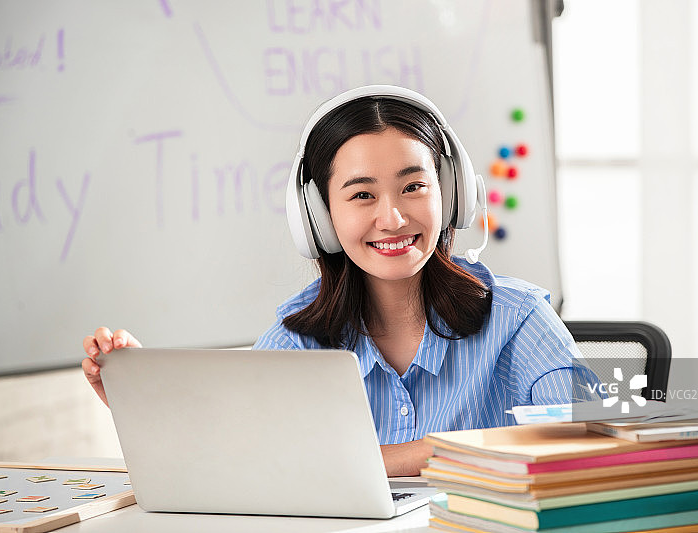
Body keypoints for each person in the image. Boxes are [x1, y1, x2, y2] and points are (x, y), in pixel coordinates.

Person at [82, 85, 588, 477]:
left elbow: (600, 432)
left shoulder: (521, 316)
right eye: (362, 195)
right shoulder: (296, 340)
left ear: (451, 194)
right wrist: (137, 394)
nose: (392, 218)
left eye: (414, 186)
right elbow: (224, 457)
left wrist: (394, 458)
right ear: (319, 218)